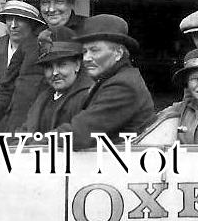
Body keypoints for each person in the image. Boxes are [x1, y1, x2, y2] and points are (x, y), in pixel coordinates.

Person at [56, 14, 155, 149]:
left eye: (94, 50)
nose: (87, 58)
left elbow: (79, 134)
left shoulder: (123, 86)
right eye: (84, 51)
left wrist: (29, 145)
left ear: (118, 53)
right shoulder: (114, 79)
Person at [0, 0, 49, 133]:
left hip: (50, 126)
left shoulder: (72, 39)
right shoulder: (25, 46)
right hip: (15, 128)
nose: (13, 25)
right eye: (9, 19)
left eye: (20, 19)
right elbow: (6, 87)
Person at [19, 27, 93, 134]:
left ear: (77, 65)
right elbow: (25, 132)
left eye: (61, 65)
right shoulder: (43, 98)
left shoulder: (88, 96)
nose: (54, 73)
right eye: (49, 67)